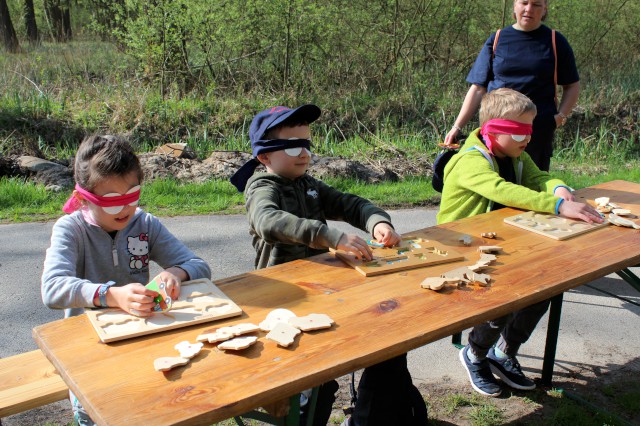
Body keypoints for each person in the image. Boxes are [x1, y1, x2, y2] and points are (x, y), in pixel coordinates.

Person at [230, 104, 428, 425]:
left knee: (387, 343)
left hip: (325, 293)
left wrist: (377, 222)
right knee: (306, 387)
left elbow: (350, 203)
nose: (304, 153)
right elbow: (269, 221)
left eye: (307, 144)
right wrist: (330, 237)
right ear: (265, 156)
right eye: (293, 146)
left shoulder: (309, 184)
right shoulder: (261, 187)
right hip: (285, 302)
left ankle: (367, 413)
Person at [437, 88, 603, 397]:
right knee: (506, 294)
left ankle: (504, 351)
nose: (527, 139)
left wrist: (560, 189)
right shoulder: (470, 161)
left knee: (548, 283)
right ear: (493, 131)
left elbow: (539, 178)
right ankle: (474, 353)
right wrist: (557, 207)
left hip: (503, 240)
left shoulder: (515, 153)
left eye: (529, 131)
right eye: (518, 134)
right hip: (461, 247)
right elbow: (501, 190)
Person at [41, 134, 212, 425]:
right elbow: (52, 288)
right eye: (110, 202)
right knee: (98, 412)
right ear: (84, 197)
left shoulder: (145, 223)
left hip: (140, 341)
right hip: (88, 352)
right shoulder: (71, 230)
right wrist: (112, 295)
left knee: (143, 406)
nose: (124, 209)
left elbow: (198, 265)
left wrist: (176, 273)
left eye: (132, 196)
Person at [444, 0, 579, 171]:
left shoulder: (555, 41)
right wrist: (457, 126)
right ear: (515, 5)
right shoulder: (497, 39)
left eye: (536, 4)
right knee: (494, 184)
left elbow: (572, 86)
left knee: (532, 186)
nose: (528, 9)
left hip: (536, 131)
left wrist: (560, 117)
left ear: (545, 8)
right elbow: (478, 88)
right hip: (497, 131)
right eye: (524, 2)